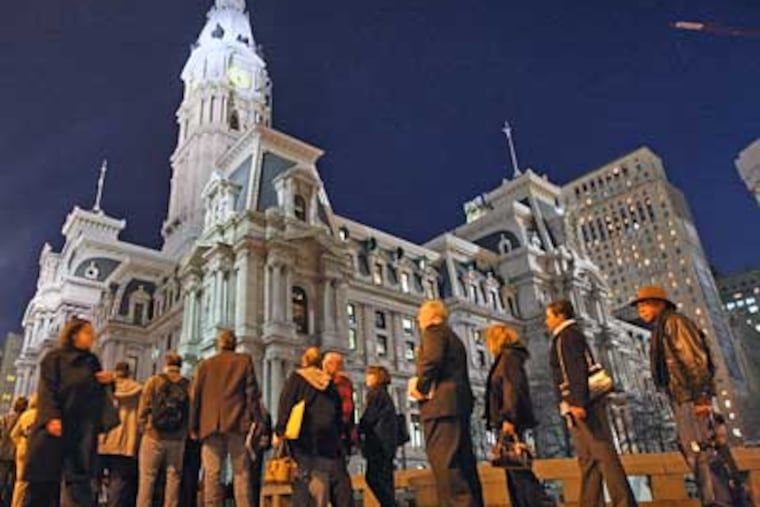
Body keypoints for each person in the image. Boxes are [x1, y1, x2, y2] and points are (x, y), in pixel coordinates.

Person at [633, 286, 732, 507]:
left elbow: (694, 360)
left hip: (690, 399)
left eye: (644, 305)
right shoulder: (663, 327)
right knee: (693, 450)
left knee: (702, 450)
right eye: (639, 306)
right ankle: (713, 499)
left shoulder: (674, 323)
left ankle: (718, 501)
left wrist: (702, 398)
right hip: (682, 397)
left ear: (659, 304)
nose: (640, 311)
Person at [546, 299, 637, 507]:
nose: (546, 321)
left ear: (560, 316)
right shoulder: (573, 334)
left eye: (549, 316)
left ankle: (624, 502)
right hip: (581, 402)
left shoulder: (565, 336)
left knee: (603, 453)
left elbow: (573, 370)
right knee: (588, 459)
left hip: (583, 404)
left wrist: (576, 402)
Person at [23, 316, 116, 507]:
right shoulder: (54, 358)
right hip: (54, 428)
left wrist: (108, 382)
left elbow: (96, 397)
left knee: (79, 485)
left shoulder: (92, 361)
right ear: (74, 335)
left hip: (82, 431)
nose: (93, 337)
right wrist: (52, 417)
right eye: (88, 333)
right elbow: (47, 390)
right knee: (43, 483)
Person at [408, 300, 484, 507]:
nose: (418, 319)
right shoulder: (454, 338)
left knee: (447, 467)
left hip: (441, 408)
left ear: (433, 316)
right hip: (456, 406)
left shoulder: (435, 332)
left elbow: (431, 361)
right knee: (464, 465)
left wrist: (420, 387)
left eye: (421, 314)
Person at [484, 324, 555, 507]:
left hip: (510, 421)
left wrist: (509, 418)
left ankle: (541, 503)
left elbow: (512, 389)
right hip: (509, 420)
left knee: (519, 471)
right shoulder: (508, 358)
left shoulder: (508, 358)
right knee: (514, 472)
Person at [274, 347, 354, 507]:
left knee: (303, 483)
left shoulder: (297, 378)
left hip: (303, 440)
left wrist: (279, 431)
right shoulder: (329, 383)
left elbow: (286, 404)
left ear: (305, 361)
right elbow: (338, 414)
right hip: (327, 442)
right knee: (320, 483)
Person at [190, 329, 260, 507]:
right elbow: (251, 394)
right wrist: (256, 420)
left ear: (219, 344)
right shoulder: (244, 361)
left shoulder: (205, 365)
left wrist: (193, 426)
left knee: (212, 474)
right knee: (241, 473)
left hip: (209, 425)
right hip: (237, 423)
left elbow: (195, 397)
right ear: (234, 344)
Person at [136, 352, 191, 507]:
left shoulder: (154, 381)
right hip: (177, 438)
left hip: (154, 436)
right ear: (180, 366)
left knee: (147, 478)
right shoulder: (187, 384)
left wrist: (143, 427)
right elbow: (191, 412)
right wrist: (185, 432)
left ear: (166, 364)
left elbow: (144, 407)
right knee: (174, 477)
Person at [99, 361, 142, 507]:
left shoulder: (105, 388)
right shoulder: (138, 390)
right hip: (125, 443)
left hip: (102, 440)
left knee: (94, 480)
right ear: (129, 373)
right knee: (119, 480)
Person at [359, 366, 398, 507]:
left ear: (376, 377)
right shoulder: (385, 394)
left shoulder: (375, 394)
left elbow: (369, 417)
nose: (366, 378)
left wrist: (358, 429)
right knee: (385, 480)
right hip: (387, 445)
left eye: (369, 375)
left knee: (373, 478)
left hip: (378, 445)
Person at [322, 352, 357, 457]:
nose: (323, 367)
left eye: (326, 364)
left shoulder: (339, 383)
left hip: (333, 432)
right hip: (339, 432)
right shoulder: (345, 382)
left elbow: (346, 409)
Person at [0, 397, 28, 507]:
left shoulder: (5, 419)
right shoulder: (25, 420)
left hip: (4, 452)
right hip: (18, 455)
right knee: (15, 482)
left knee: (1, 479)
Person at [10, 396, 36, 507]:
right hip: (34, 452)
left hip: (21, 450)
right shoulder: (41, 416)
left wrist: (20, 444)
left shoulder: (25, 416)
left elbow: (13, 434)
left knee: (20, 481)